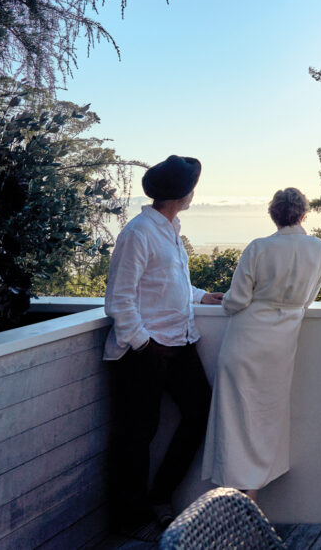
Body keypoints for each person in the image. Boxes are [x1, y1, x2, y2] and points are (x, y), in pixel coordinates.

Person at [104, 155, 224, 541]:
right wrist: (144, 343)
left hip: (180, 340)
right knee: (137, 435)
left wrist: (203, 296)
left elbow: (168, 282)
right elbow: (119, 298)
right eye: (191, 188)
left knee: (201, 413)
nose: (193, 194)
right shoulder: (138, 232)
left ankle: (159, 497)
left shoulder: (170, 228)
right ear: (180, 193)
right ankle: (132, 518)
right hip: (146, 350)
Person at [202, 187, 321, 501]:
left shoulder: (259, 248)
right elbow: (308, 300)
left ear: (273, 215)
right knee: (267, 416)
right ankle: (252, 493)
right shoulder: (318, 248)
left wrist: (223, 301)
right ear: (303, 213)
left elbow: (237, 300)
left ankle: (231, 499)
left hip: (246, 339)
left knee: (234, 417)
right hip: (282, 344)